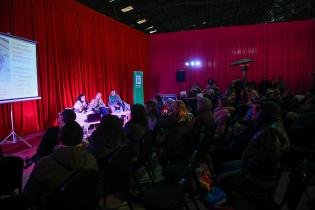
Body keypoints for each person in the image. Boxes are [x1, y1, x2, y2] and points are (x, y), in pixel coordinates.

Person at [217, 102, 289, 193]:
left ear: (266, 112)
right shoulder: (271, 126)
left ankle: (233, 201)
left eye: (259, 110)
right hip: (254, 169)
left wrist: (247, 165)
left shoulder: (271, 131)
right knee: (224, 166)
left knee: (221, 179)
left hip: (257, 177)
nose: (257, 113)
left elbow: (269, 158)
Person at [23, 121, 97, 207]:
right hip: (83, 204)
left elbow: (28, 196)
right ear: (82, 139)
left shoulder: (44, 164)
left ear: (59, 139)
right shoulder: (91, 159)